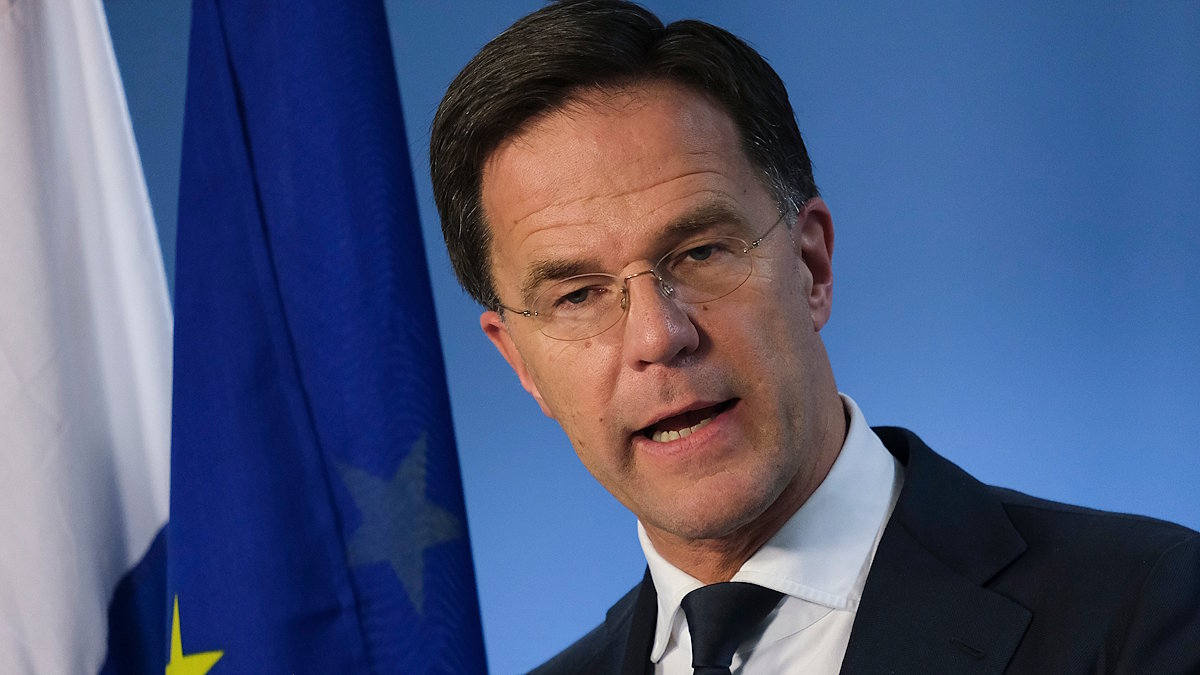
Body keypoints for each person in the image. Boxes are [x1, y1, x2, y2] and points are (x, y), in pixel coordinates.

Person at [429, 1, 1200, 672]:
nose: (659, 336)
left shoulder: (1146, 607)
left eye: (700, 253)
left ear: (812, 264)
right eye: (577, 295)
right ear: (519, 360)